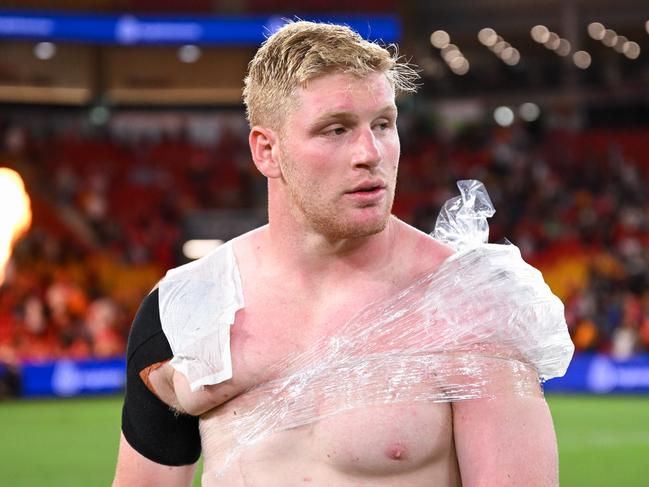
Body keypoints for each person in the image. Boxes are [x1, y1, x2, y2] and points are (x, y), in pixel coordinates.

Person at [113, 20, 560, 486]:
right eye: (336, 129)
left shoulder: (468, 308)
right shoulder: (184, 306)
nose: (371, 152)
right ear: (267, 151)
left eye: (384, 124)